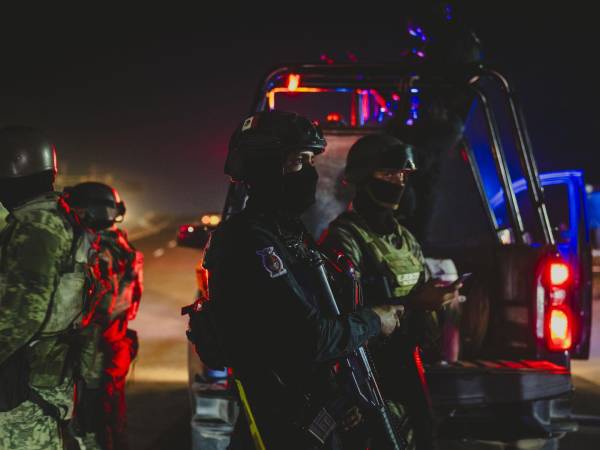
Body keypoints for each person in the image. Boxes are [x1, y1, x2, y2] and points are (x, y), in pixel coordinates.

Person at [191, 111, 405, 449]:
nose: (309, 172)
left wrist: (337, 399)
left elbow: (319, 319)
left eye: (310, 160)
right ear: (265, 165)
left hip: (305, 409)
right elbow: (309, 338)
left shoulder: (288, 233)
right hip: (276, 419)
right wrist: (375, 320)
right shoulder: (250, 241)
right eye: (298, 161)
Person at [320, 134, 461, 450]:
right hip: (367, 375)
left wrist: (439, 302)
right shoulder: (343, 239)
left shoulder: (405, 239)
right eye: (387, 174)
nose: (398, 181)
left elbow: (420, 296)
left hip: (408, 367)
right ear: (362, 177)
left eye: (402, 174)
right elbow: (338, 320)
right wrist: (414, 303)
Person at [0, 126, 99, 449]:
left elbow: (21, 315)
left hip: (22, 391)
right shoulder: (57, 216)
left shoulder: (35, 227)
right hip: (42, 378)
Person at [65, 182, 143, 450]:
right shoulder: (124, 247)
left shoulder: (96, 252)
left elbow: (84, 309)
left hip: (93, 356)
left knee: (92, 431)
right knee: (112, 424)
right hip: (114, 347)